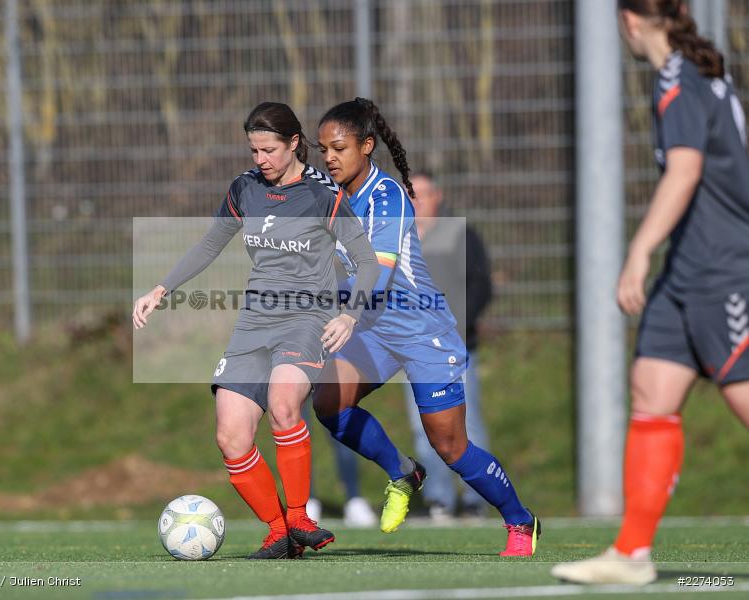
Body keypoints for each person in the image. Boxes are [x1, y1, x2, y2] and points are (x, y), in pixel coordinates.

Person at [553, 0, 749, 584]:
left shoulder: (681, 79)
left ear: (629, 20)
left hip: (721, 272)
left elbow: (686, 171)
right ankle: (631, 554)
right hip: (686, 273)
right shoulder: (704, 76)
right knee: (651, 394)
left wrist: (637, 252)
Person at [133, 102, 379, 559]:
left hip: (308, 319)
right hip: (255, 322)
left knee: (284, 404)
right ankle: (278, 531)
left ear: (293, 144)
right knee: (230, 435)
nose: (260, 159)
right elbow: (211, 242)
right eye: (253, 150)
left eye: (269, 149)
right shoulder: (244, 189)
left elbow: (365, 261)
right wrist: (161, 288)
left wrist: (350, 315)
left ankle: (301, 516)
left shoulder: (324, 194)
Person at [313, 98, 540, 556]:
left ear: (367, 146)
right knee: (329, 403)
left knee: (450, 446)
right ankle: (402, 472)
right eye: (323, 149)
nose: (330, 157)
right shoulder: (329, 193)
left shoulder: (388, 195)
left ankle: (520, 520)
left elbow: (379, 267)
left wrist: (343, 310)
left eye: (339, 148)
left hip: (420, 331)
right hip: (373, 330)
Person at [401, 172, 492, 520]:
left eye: (422, 193)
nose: (416, 201)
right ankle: (439, 498)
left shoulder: (460, 235)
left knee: (468, 425)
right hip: (415, 353)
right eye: (410, 195)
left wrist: (455, 325)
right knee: (425, 426)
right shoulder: (399, 240)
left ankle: (475, 498)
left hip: (456, 348)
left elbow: (481, 286)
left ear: (438, 196)